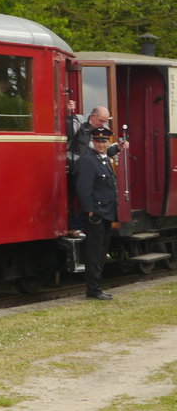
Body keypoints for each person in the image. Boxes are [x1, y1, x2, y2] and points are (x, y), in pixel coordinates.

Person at [65, 102, 128, 236]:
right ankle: (75, 226)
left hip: (90, 169)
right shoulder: (79, 120)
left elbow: (106, 150)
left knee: (92, 196)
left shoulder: (103, 130)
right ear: (92, 116)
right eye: (101, 121)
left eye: (105, 121)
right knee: (81, 196)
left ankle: (82, 225)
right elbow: (69, 133)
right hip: (73, 168)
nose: (102, 124)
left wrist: (118, 147)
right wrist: (70, 114)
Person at [75, 126, 118, 300]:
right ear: (93, 142)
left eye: (104, 141)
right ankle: (93, 290)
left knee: (101, 252)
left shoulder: (104, 160)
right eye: (98, 141)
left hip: (107, 212)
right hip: (97, 214)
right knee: (94, 253)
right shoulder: (88, 160)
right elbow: (83, 188)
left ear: (108, 142)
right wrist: (90, 211)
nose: (101, 144)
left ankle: (97, 287)